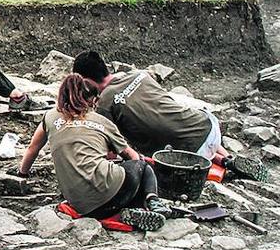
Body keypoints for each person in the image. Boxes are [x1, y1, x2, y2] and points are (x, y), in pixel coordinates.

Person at [72, 50, 265, 180]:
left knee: (165, 147)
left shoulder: (105, 104)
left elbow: (110, 151)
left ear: (87, 81)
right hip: (209, 126)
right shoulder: (139, 74)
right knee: (180, 124)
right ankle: (228, 159)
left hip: (188, 154)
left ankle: (215, 160)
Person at [16, 73, 170, 231]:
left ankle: (126, 213)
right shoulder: (101, 121)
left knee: (116, 180)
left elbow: (32, 149)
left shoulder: (49, 117)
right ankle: (153, 202)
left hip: (80, 204)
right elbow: (132, 156)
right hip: (114, 195)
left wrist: (22, 174)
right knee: (140, 167)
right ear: (90, 100)